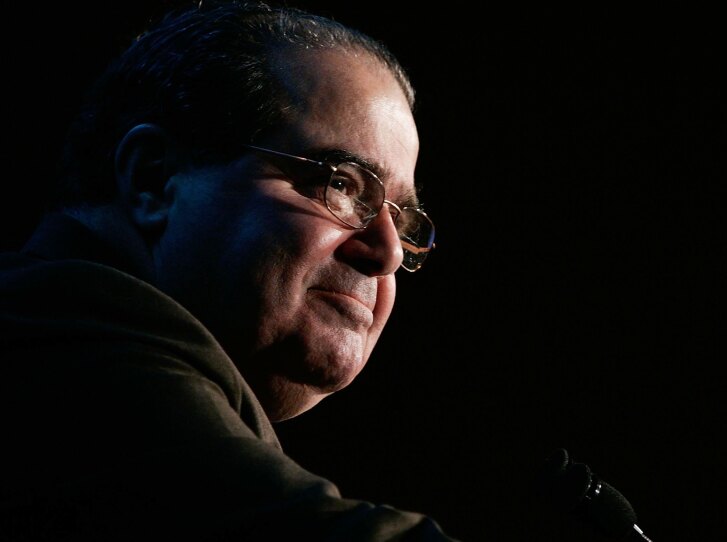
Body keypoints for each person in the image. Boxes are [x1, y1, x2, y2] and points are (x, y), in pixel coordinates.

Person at [0, 1, 453, 540]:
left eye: (402, 221)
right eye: (342, 184)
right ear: (152, 180)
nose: (389, 252)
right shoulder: (57, 326)